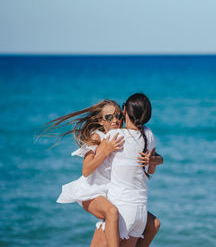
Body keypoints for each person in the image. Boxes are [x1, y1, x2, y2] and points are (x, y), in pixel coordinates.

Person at [44, 99, 162, 247]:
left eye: (118, 116)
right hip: (91, 191)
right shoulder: (97, 137)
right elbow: (86, 171)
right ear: (101, 120)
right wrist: (106, 150)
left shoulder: (121, 137)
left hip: (108, 191)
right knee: (112, 212)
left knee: (153, 222)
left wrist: (155, 159)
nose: (115, 120)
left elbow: (149, 153)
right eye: (109, 117)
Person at [96, 93, 156, 246]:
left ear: (124, 111)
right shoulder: (149, 135)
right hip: (140, 214)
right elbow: (152, 170)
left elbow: (94, 164)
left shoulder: (115, 135)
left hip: (120, 209)